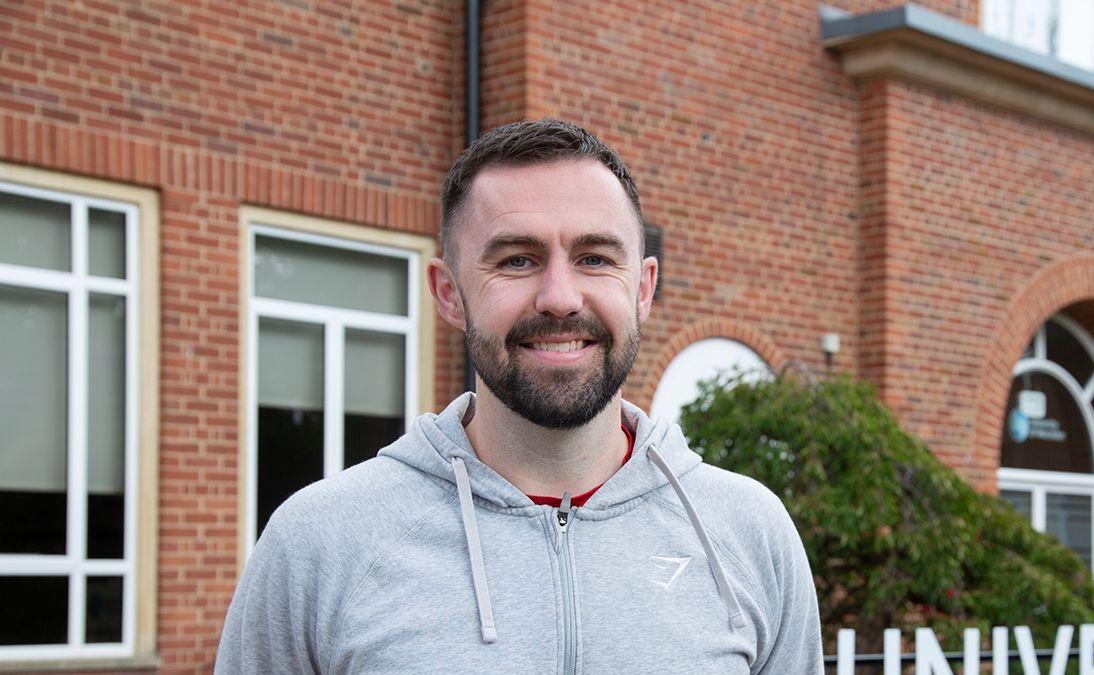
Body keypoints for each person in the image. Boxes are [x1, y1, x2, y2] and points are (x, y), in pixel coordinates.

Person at [216, 119, 823, 673]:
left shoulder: (749, 534)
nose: (560, 297)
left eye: (593, 257)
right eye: (517, 260)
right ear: (449, 292)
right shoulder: (320, 544)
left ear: (643, 288)